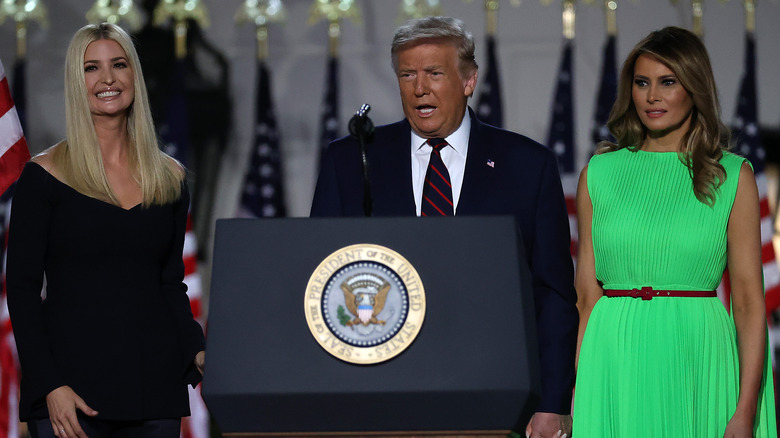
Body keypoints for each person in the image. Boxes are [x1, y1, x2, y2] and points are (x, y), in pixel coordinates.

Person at [311, 16, 577, 438]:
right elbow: (322, 281)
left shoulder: (528, 166)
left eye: (435, 73)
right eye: (407, 75)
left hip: (495, 395)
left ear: (468, 81)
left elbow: (553, 295)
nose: (420, 88)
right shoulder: (352, 161)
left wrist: (552, 402)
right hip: (379, 395)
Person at [573, 26, 776, 436]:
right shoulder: (600, 173)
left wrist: (745, 411)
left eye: (668, 82)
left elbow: (751, 304)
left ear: (694, 87)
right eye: (642, 82)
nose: (652, 96)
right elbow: (586, 300)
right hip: (613, 359)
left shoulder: (732, 176)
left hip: (698, 356)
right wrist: (578, 394)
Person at [6, 23, 205, 438]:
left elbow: (171, 284)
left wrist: (198, 351)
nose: (108, 79)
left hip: (154, 387)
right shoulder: (42, 177)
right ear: (76, 82)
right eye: (91, 68)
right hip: (70, 394)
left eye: (119, 64)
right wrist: (50, 385)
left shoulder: (169, 177)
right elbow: (22, 292)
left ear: (135, 74)